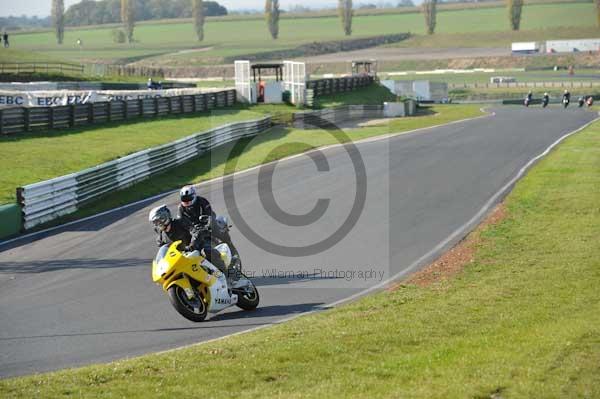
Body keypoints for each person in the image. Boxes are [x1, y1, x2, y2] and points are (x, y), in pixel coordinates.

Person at [149, 205, 227, 273]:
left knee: (207, 251)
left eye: (160, 220)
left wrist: (192, 245)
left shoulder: (180, 222)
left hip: (196, 247)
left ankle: (226, 273)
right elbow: (163, 249)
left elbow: (195, 231)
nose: (158, 224)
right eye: (155, 222)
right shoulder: (161, 235)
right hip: (181, 257)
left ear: (166, 217)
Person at [177, 185, 241, 268]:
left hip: (207, 223)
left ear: (194, 196)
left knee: (219, 232)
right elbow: (181, 221)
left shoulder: (202, 201)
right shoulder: (180, 208)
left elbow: (209, 213)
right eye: (184, 199)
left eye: (188, 199)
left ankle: (233, 253)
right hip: (194, 229)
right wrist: (191, 229)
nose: (186, 201)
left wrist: (208, 223)